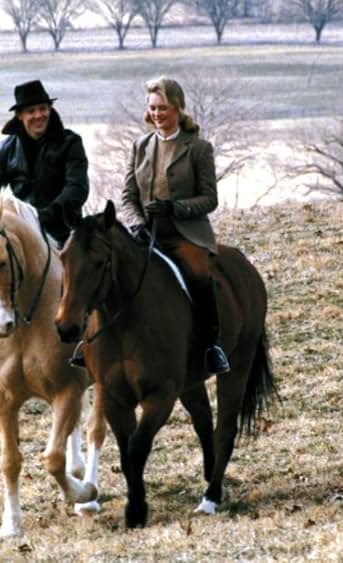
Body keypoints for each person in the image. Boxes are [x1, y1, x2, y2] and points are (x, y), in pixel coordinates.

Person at [0, 79, 90, 381]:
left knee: (80, 271)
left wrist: (46, 214)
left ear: (50, 110)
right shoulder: (7, 147)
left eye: (43, 109)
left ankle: (85, 340)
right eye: (31, 111)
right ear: (20, 116)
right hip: (15, 232)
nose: (38, 115)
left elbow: (77, 188)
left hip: (58, 225)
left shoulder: (70, 142)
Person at [120, 76, 230, 374]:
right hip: (144, 234)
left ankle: (212, 346)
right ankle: (95, 345)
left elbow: (209, 199)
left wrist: (175, 209)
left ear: (178, 109)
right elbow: (128, 196)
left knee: (198, 276)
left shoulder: (198, 148)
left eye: (163, 108)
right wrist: (135, 223)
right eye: (153, 108)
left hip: (185, 234)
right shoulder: (139, 146)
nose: (157, 114)